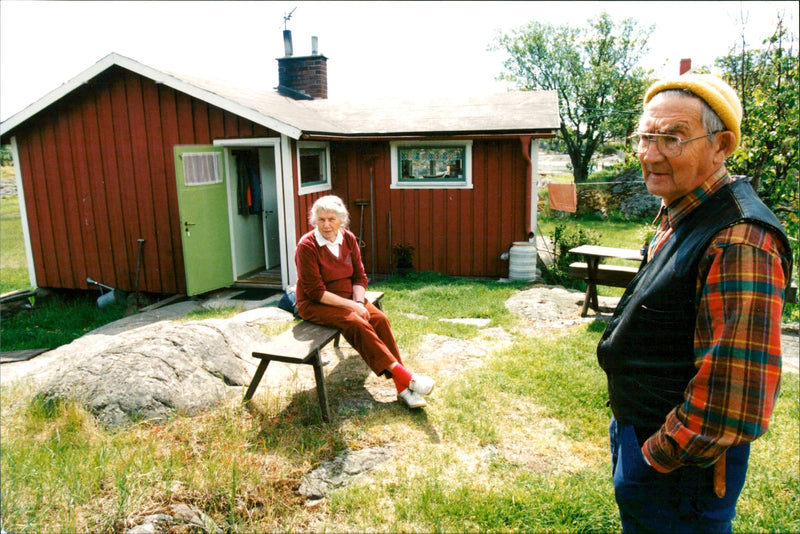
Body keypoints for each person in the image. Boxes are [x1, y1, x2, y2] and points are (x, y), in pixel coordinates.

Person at [597, 74, 792, 533]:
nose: (649, 153)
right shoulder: (684, 205)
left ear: (721, 145)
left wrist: (651, 460)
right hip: (646, 440)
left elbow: (733, 401)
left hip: (680, 472)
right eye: (644, 137)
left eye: (672, 138)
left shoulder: (739, 240)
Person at [295, 195, 435, 409]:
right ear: (315, 220)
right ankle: (407, 378)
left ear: (341, 220)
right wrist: (353, 307)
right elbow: (315, 292)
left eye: (331, 219)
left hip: (349, 298)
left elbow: (359, 277)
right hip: (316, 304)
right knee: (356, 322)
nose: (326, 224)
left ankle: (402, 389)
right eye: (321, 219)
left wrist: (359, 302)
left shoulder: (349, 239)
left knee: (379, 318)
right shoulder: (307, 246)